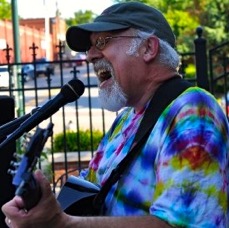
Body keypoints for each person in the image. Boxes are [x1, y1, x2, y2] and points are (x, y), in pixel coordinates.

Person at [2, 2, 229, 227]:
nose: (90, 56)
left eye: (101, 42)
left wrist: (62, 223)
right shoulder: (127, 118)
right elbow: (90, 187)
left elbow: (183, 224)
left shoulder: (193, 112)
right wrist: (39, 201)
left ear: (148, 48)